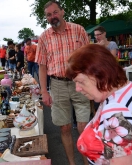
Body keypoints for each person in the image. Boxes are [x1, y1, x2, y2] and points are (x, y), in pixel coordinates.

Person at [66, 44, 132, 165]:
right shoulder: (129, 87)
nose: (77, 89)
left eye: (81, 82)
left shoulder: (114, 113)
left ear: (101, 74)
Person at [35, 1, 90, 165]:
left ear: (62, 12)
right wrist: (44, 91)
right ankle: (72, 163)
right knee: (64, 127)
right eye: (49, 15)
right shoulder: (44, 37)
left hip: (78, 82)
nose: (53, 17)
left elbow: (89, 58)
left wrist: (92, 82)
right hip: (57, 84)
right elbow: (42, 66)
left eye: (55, 12)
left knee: (83, 127)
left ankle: (88, 162)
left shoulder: (78, 30)